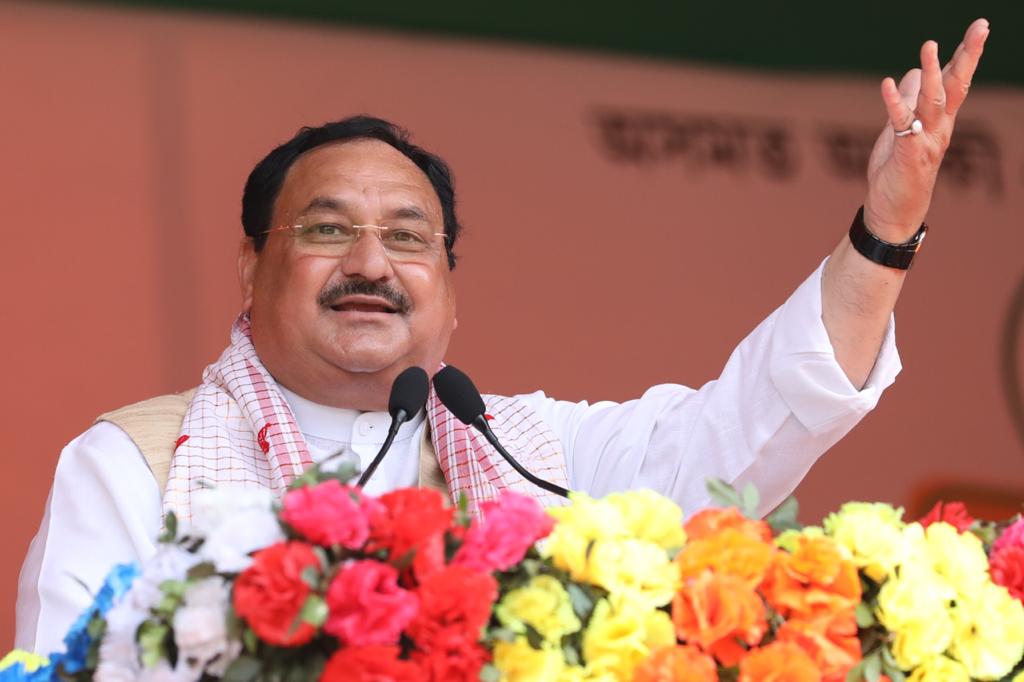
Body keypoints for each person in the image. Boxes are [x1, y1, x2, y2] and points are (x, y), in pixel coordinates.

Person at [15, 19, 989, 655]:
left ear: (448, 291)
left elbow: (752, 424)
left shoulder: (534, 455)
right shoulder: (132, 463)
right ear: (249, 267)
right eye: (326, 229)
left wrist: (883, 234)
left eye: (407, 237)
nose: (371, 261)